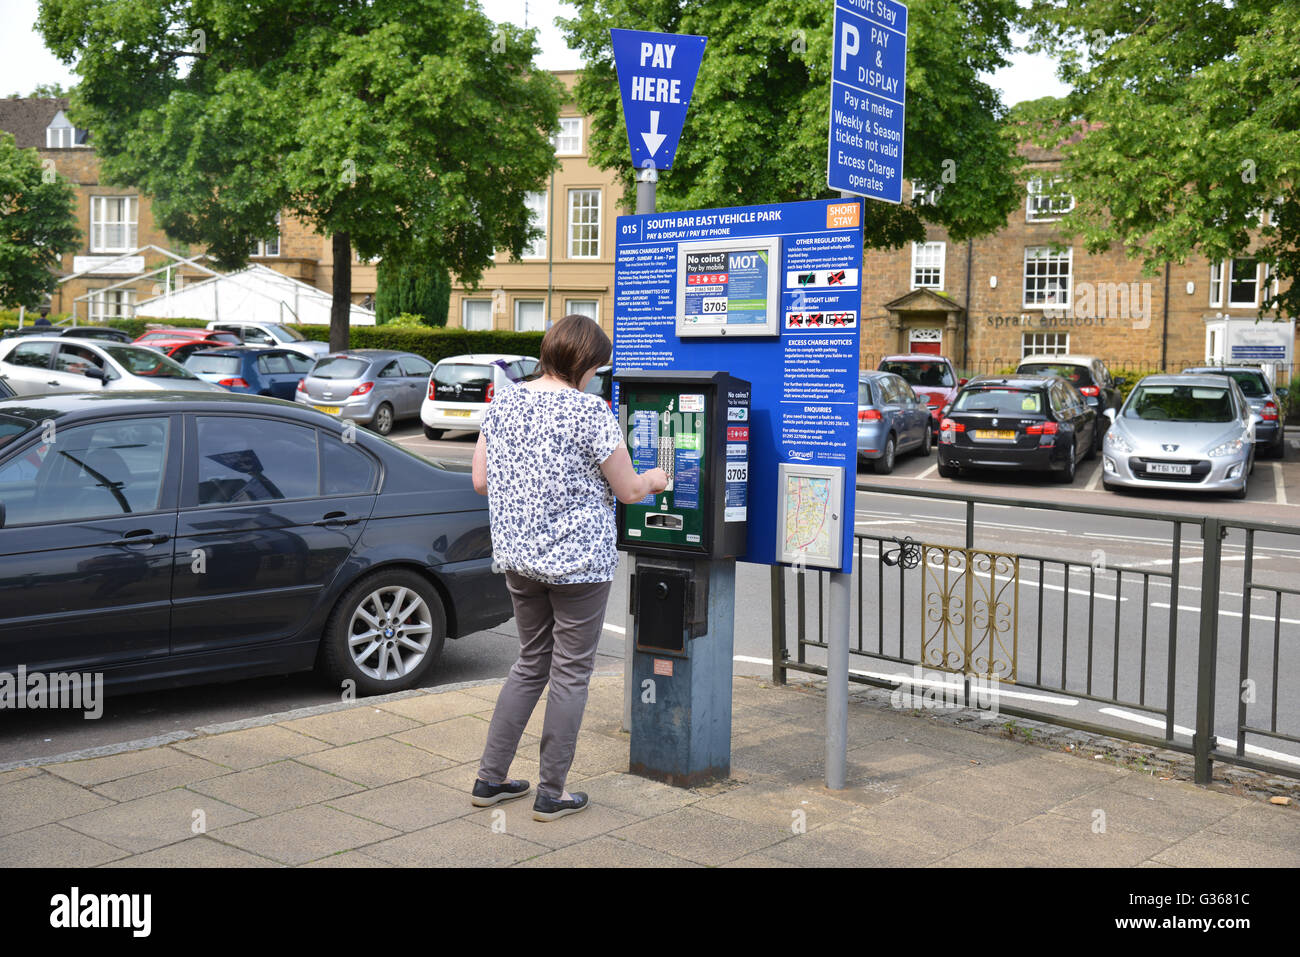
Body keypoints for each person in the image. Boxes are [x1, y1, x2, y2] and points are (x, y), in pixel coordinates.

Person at [470, 314, 668, 821]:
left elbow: (480, 481)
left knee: (530, 663)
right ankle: (551, 792)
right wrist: (656, 479)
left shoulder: (504, 400)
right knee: (570, 674)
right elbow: (627, 490)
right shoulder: (590, 412)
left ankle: (490, 780)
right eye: (597, 368)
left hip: (519, 558)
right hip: (579, 565)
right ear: (583, 363)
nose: (596, 378)